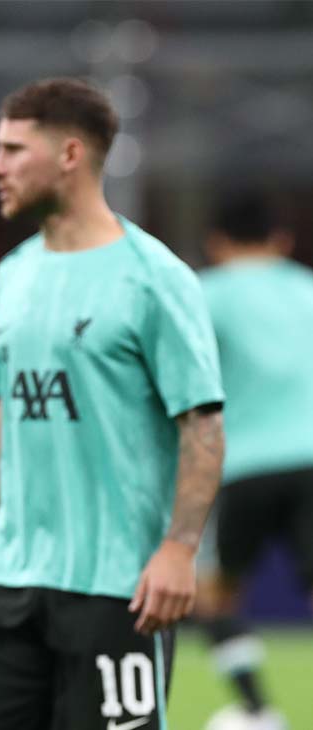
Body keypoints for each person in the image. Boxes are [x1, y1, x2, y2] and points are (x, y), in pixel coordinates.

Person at [0, 78, 225, 730]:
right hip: (9, 587)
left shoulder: (155, 279)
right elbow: (9, 413)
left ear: (70, 154)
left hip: (117, 590)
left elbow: (202, 426)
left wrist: (180, 550)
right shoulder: (13, 275)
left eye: (14, 149)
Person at [195, 193, 311, 730]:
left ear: (217, 244)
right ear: (282, 242)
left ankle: (257, 709)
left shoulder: (205, 294)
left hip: (245, 467)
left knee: (213, 593)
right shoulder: (307, 289)